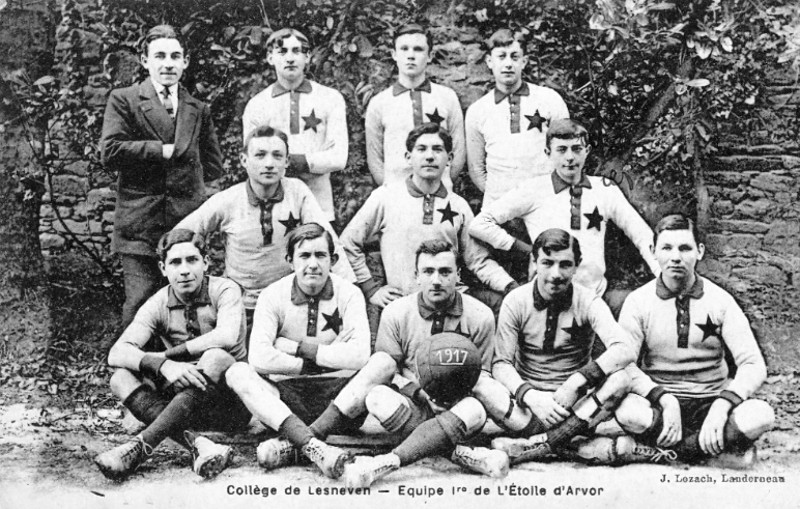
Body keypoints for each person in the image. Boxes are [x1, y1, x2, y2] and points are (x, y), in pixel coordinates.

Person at [475, 228, 661, 465]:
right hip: (529, 407)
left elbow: (624, 348)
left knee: (621, 379)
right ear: (534, 262)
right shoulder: (516, 300)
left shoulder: (588, 300)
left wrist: (578, 380)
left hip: (576, 406)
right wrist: (530, 396)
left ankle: (538, 445)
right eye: (547, 263)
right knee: (482, 384)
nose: (556, 274)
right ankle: (571, 445)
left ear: (576, 266)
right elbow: (501, 364)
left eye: (565, 265)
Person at [608, 214, 775, 466]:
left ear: (700, 251)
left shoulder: (720, 300)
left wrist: (722, 405)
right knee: (627, 411)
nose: (676, 257)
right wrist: (664, 398)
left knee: (761, 415)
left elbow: (753, 364)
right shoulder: (638, 302)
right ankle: (712, 452)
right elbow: (624, 364)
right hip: (661, 404)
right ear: (653, 251)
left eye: (685, 248)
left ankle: (663, 452)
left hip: (711, 400)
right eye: (667, 248)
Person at [341, 240, 510, 488]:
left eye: (445, 271)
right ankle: (461, 454)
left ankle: (385, 462)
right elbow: (388, 372)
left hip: (458, 407)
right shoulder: (396, 312)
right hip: (415, 403)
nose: (436, 280)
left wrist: (454, 395)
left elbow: (482, 374)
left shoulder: (480, 315)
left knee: (475, 408)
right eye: (428, 271)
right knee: (376, 397)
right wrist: (419, 393)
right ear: (416, 276)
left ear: (458, 275)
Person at [94, 229, 250, 480]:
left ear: (206, 263)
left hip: (227, 404)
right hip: (177, 405)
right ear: (163, 268)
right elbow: (117, 352)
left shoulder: (224, 289)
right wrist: (164, 366)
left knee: (215, 357)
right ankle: (200, 444)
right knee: (120, 378)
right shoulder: (158, 302)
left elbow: (226, 336)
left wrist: (168, 356)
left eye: (192, 260)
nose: (185, 270)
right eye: (176, 262)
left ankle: (142, 446)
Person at [101, 24, 224, 330]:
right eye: (160, 56)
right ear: (145, 61)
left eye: (175, 56)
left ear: (185, 62)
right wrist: (160, 151)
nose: (168, 64)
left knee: (188, 300)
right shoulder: (125, 99)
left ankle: (183, 357)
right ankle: (131, 357)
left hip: (184, 223)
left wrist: (194, 196)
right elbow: (110, 151)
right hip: (140, 222)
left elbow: (213, 166)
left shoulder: (198, 108)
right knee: (141, 300)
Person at [224, 223, 370, 479]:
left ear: (333, 260)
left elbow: (360, 355)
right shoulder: (272, 295)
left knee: (382, 363)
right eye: (304, 256)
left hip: (340, 399)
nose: (312, 264)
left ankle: (295, 443)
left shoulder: (350, 294)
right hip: (287, 401)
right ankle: (315, 446)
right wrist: (328, 357)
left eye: (320, 255)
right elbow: (259, 357)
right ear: (290, 261)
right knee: (237, 371)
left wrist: (296, 348)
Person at [175, 125, 354, 331]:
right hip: (242, 305)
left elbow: (328, 241)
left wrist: (351, 292)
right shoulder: (229, 200)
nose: (269, 164)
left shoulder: (297, 192)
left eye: (277, 155)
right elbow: (180, 236)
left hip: (287, 302)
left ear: (287, 161)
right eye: (260, 155)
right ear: (244, 160)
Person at [470, 118, 659, 312]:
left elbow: (641, 233)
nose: (570, 157)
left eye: (576, 149)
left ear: (587, 151)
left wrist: (662, 274)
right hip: (547, 298)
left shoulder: (604, 189)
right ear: (548, 153)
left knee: (639, 308)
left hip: (595, 296)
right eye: (561, 150)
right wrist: (526, 249)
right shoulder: (533, 189)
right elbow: (479, 224)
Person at [341, 123, 516, 313]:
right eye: (422, 149)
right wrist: (371, 289)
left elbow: (478, 260)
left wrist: (510, 286)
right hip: (403, 307)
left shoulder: (458, 205)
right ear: (408, 157)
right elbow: (348, 242)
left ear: (449, 158)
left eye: (438, 149)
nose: (430, 156)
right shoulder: (385, 197)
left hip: (448, 305)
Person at [242, 28, 348, 222]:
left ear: (307, 57)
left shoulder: (330, 98)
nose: (290, 58)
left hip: (319, 207)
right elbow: (252, 161)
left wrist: (301, 161)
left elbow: (339, 157)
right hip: (273, 208)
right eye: (282, 52)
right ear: (270, 57)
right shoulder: (257, 105)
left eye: (296, 51)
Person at [465, 28, 569, 207]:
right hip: (499, 205)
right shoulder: (478, 110)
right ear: (489, 61)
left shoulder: (549, 99)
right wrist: (502, 200)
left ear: (524, 61)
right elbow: (476, 168)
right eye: (501, 56)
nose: (508, 64)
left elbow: (566, 153)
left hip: (545, 202)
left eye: (514, 57)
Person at [365, 23, 466, 188]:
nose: (410, 56)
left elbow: (458, 152)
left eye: (418, 49)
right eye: (404, 49)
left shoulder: (447, 97)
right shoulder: (380, 103)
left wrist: (440, 185)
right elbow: (375, 159)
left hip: (439, 193)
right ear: (394, 54)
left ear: (430, 56)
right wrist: (390, 191)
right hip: (396, 193)